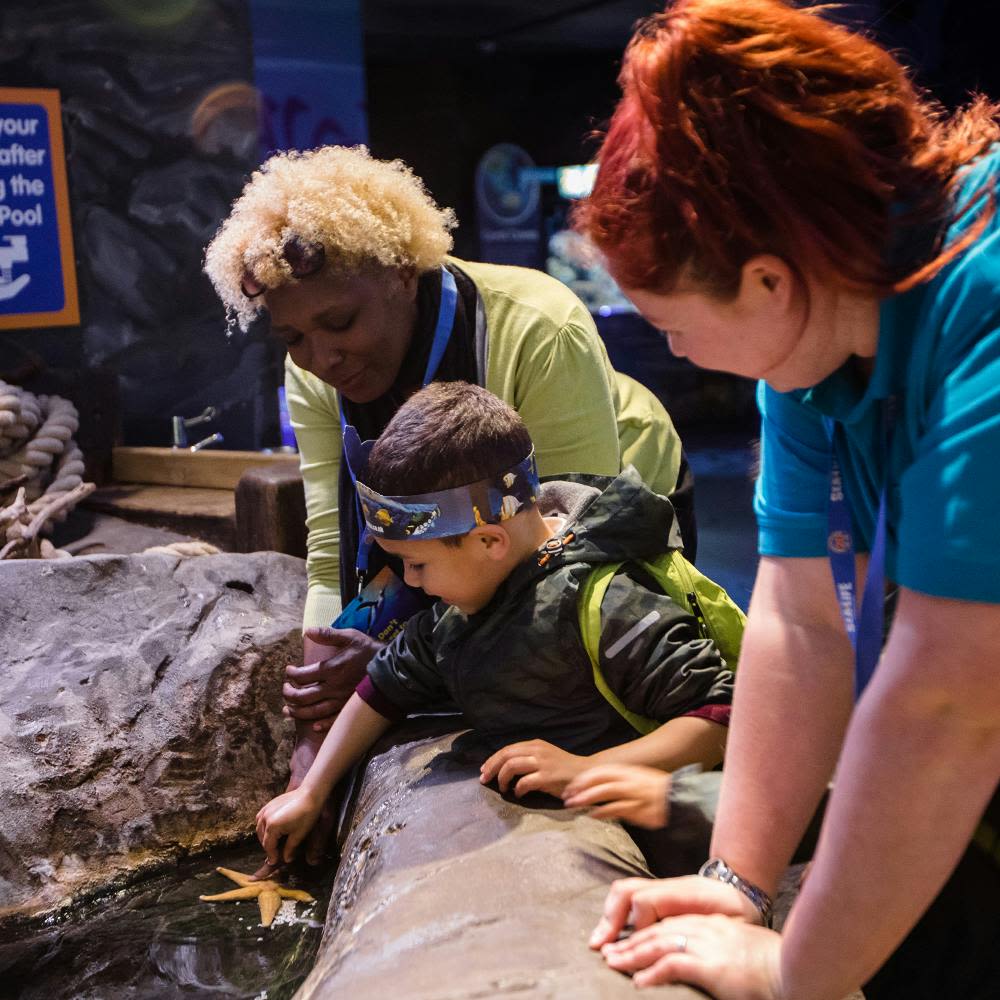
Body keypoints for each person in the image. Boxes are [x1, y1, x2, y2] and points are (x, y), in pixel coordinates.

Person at [570, 1, 1000, 997]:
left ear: (767, 280)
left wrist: (792, 974)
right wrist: (734, 881)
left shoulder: (982, 296)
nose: (673, 353)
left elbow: (952, 695)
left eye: (671, 327)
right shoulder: (818, 339)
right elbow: (800, 621)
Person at [202, 146, 697, 845]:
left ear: (403, 274)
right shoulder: (313, 373)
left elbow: (565, 546)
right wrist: (314, 732)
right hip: (474, 530)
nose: (323, 357)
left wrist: (390, 648)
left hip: (603, 496)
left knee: (592, 655)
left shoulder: (535, 326)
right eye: (294, 336)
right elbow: (329, 550)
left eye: (340, 323)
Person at [255, 381, 734, 865]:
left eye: (417, 564)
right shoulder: (460, 608)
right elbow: (383, 686)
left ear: (489, 542)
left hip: (676, 856)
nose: (412, 583)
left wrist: (585, 770)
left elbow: (717, 719)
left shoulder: (607, 602)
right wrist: (313, 789)